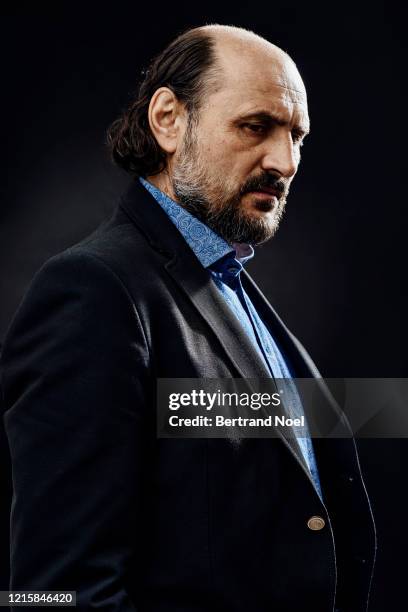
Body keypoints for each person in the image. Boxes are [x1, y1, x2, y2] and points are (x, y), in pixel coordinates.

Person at [1, 25, 376, 611]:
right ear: (169, 120)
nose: (285, 161)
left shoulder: (230, 288)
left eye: (297, 137)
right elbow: (56, 587)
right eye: (256, 127)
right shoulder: (94, 291)